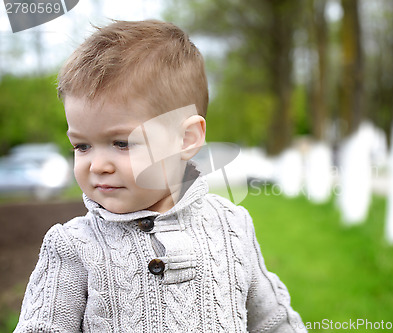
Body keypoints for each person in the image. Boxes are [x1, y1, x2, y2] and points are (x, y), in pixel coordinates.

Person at [14, 20, 306, 332]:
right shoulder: (73, 246)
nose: (97, 165)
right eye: (82, 146)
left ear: (186, 139)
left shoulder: (231, 227)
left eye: (121, 143)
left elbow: (274, 322)